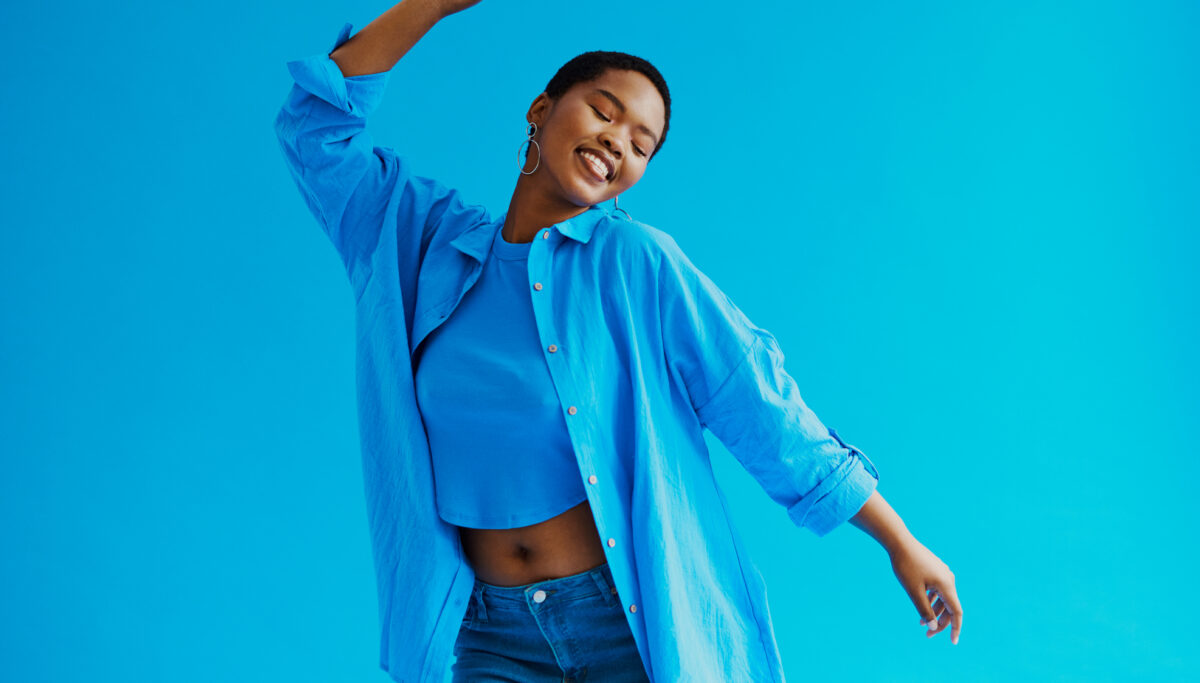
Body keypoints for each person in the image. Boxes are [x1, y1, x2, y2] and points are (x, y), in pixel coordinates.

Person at [273, 1, 964, 681]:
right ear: (540, 111)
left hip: (626, 626)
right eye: (604, 111)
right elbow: (316, 133)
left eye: (640, 143)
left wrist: (898, 540)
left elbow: (757, 401)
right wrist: (433, 6)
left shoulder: (636, 262)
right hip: (487, 633)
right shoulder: (418, 241)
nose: (617, 141)